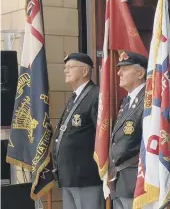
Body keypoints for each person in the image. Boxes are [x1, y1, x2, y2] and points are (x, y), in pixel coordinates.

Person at [51, 53, 103, 209]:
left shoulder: (95, 95)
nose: (66, 71)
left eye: (70, 67)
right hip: (69, 176)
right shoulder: (75, 97)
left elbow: (102, 136)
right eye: (65, 68)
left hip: (86, 177)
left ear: (85, 71)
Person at [109, 51, 148, 209]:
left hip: (136, 181)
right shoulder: (127, 100)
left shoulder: (149, 99)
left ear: (140, 73)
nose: (119, 73)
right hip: (121, 179)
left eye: (124, 68)